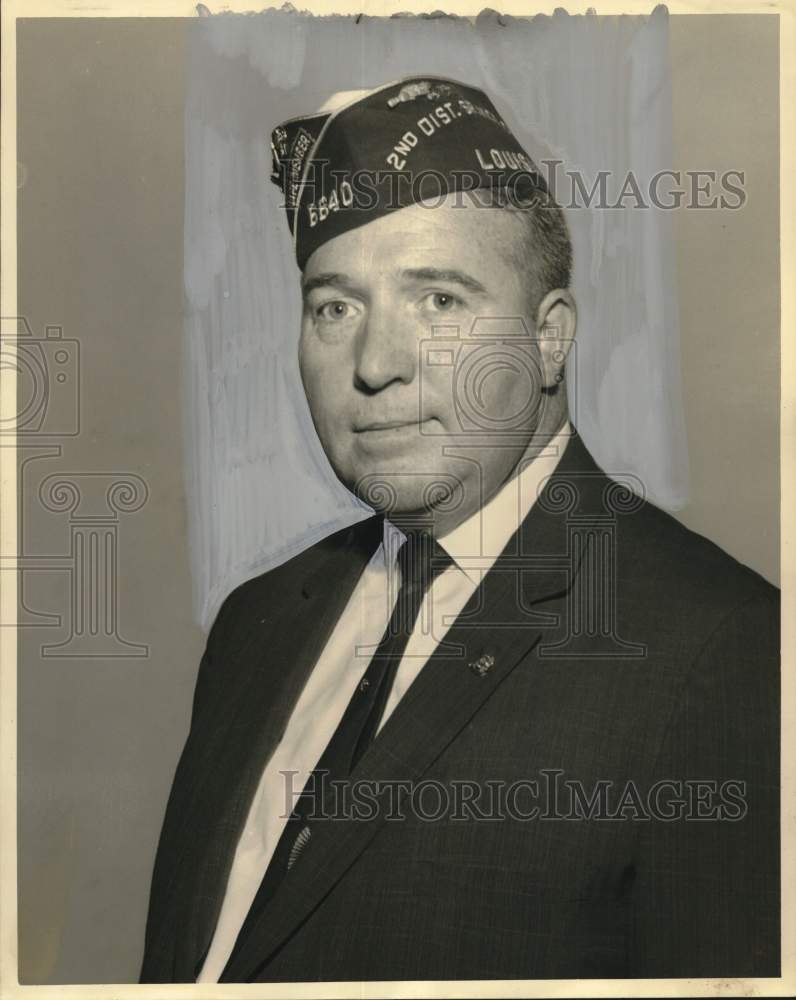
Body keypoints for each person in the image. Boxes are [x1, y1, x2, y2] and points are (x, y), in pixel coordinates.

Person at [141, 76, 779, 983]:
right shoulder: (259, 621)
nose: (375, 364)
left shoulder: (723, 648)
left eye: (439, 300)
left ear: (549, 337)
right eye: (336, 307)